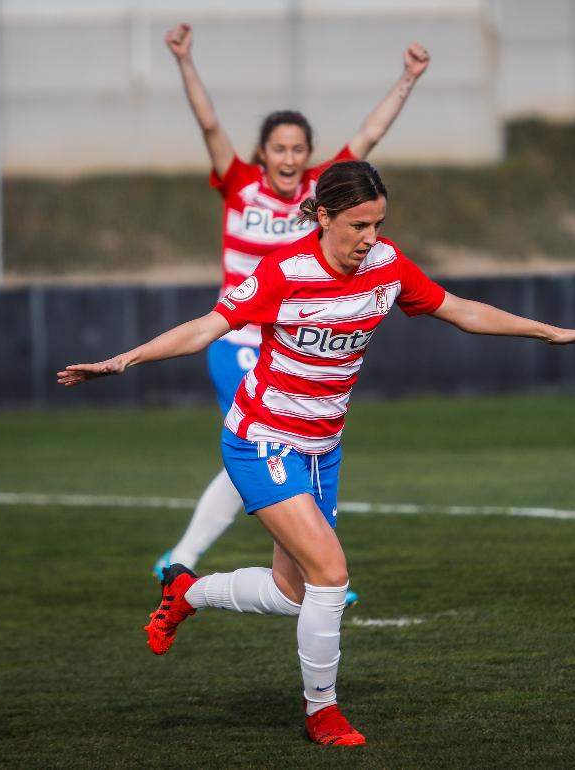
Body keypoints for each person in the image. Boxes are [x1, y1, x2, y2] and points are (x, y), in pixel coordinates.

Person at [59, 160, 575, 745]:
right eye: (357, 225)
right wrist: (123, 360)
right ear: (323, 217)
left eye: (378, 224)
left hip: (323, 448)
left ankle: (186, 590)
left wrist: (549, 332)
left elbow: (460, 310)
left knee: (293, 592)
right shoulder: (284, 270)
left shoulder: (388, 265)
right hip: (260, 438)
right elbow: (205, 328)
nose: (369, 238)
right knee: (331, 573)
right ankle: (322, 712)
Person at [152, 23, 431, 593]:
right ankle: (191, 559)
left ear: (309, 156)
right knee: (261, 443)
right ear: (262, 153)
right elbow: (209, 123)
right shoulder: (239, 185)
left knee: (287, 448)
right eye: (278, 147)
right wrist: (185, 60)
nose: (288, 156)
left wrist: (407, 78)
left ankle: (299, 565)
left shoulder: (325, 195)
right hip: (239, 341)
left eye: (298, 148)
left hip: (294, 340)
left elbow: (369, 135)